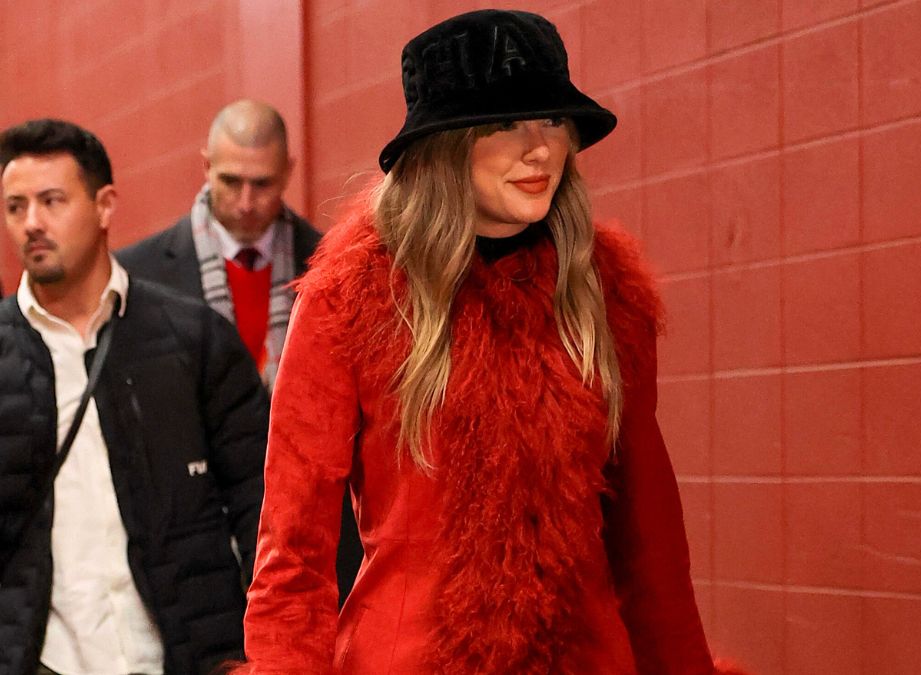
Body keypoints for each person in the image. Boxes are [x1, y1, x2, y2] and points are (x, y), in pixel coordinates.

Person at [238, 9, 728, 674]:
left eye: (553, 119)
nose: (541, 148)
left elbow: (651, 546)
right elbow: (292, 555)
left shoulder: (603, 294)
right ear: (442, 146)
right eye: (505, 124)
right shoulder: (354, 301)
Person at [0, 119, 269, 674]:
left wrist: (259, 648)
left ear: (104, 205)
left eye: (51, 201)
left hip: (186, 655)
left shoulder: (192, 338)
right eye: (15, 207)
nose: (32, 224)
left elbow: (263, 503)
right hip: (47, 660)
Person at [117, 100, 363, 604]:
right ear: (205, 166)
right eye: (231, 181)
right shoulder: (137, 276)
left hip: (312, 535)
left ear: (289, 172)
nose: (247, 201)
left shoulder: (339, 269)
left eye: (264, 183)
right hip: (188, 545)